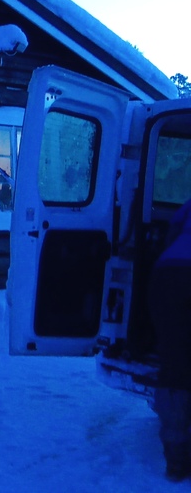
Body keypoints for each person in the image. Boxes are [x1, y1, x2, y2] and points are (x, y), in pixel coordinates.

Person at [150, 197, 191, 482]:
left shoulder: (188, 205)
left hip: (166, 275)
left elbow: (171, 236)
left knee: (174, 365)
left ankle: (176, 459)